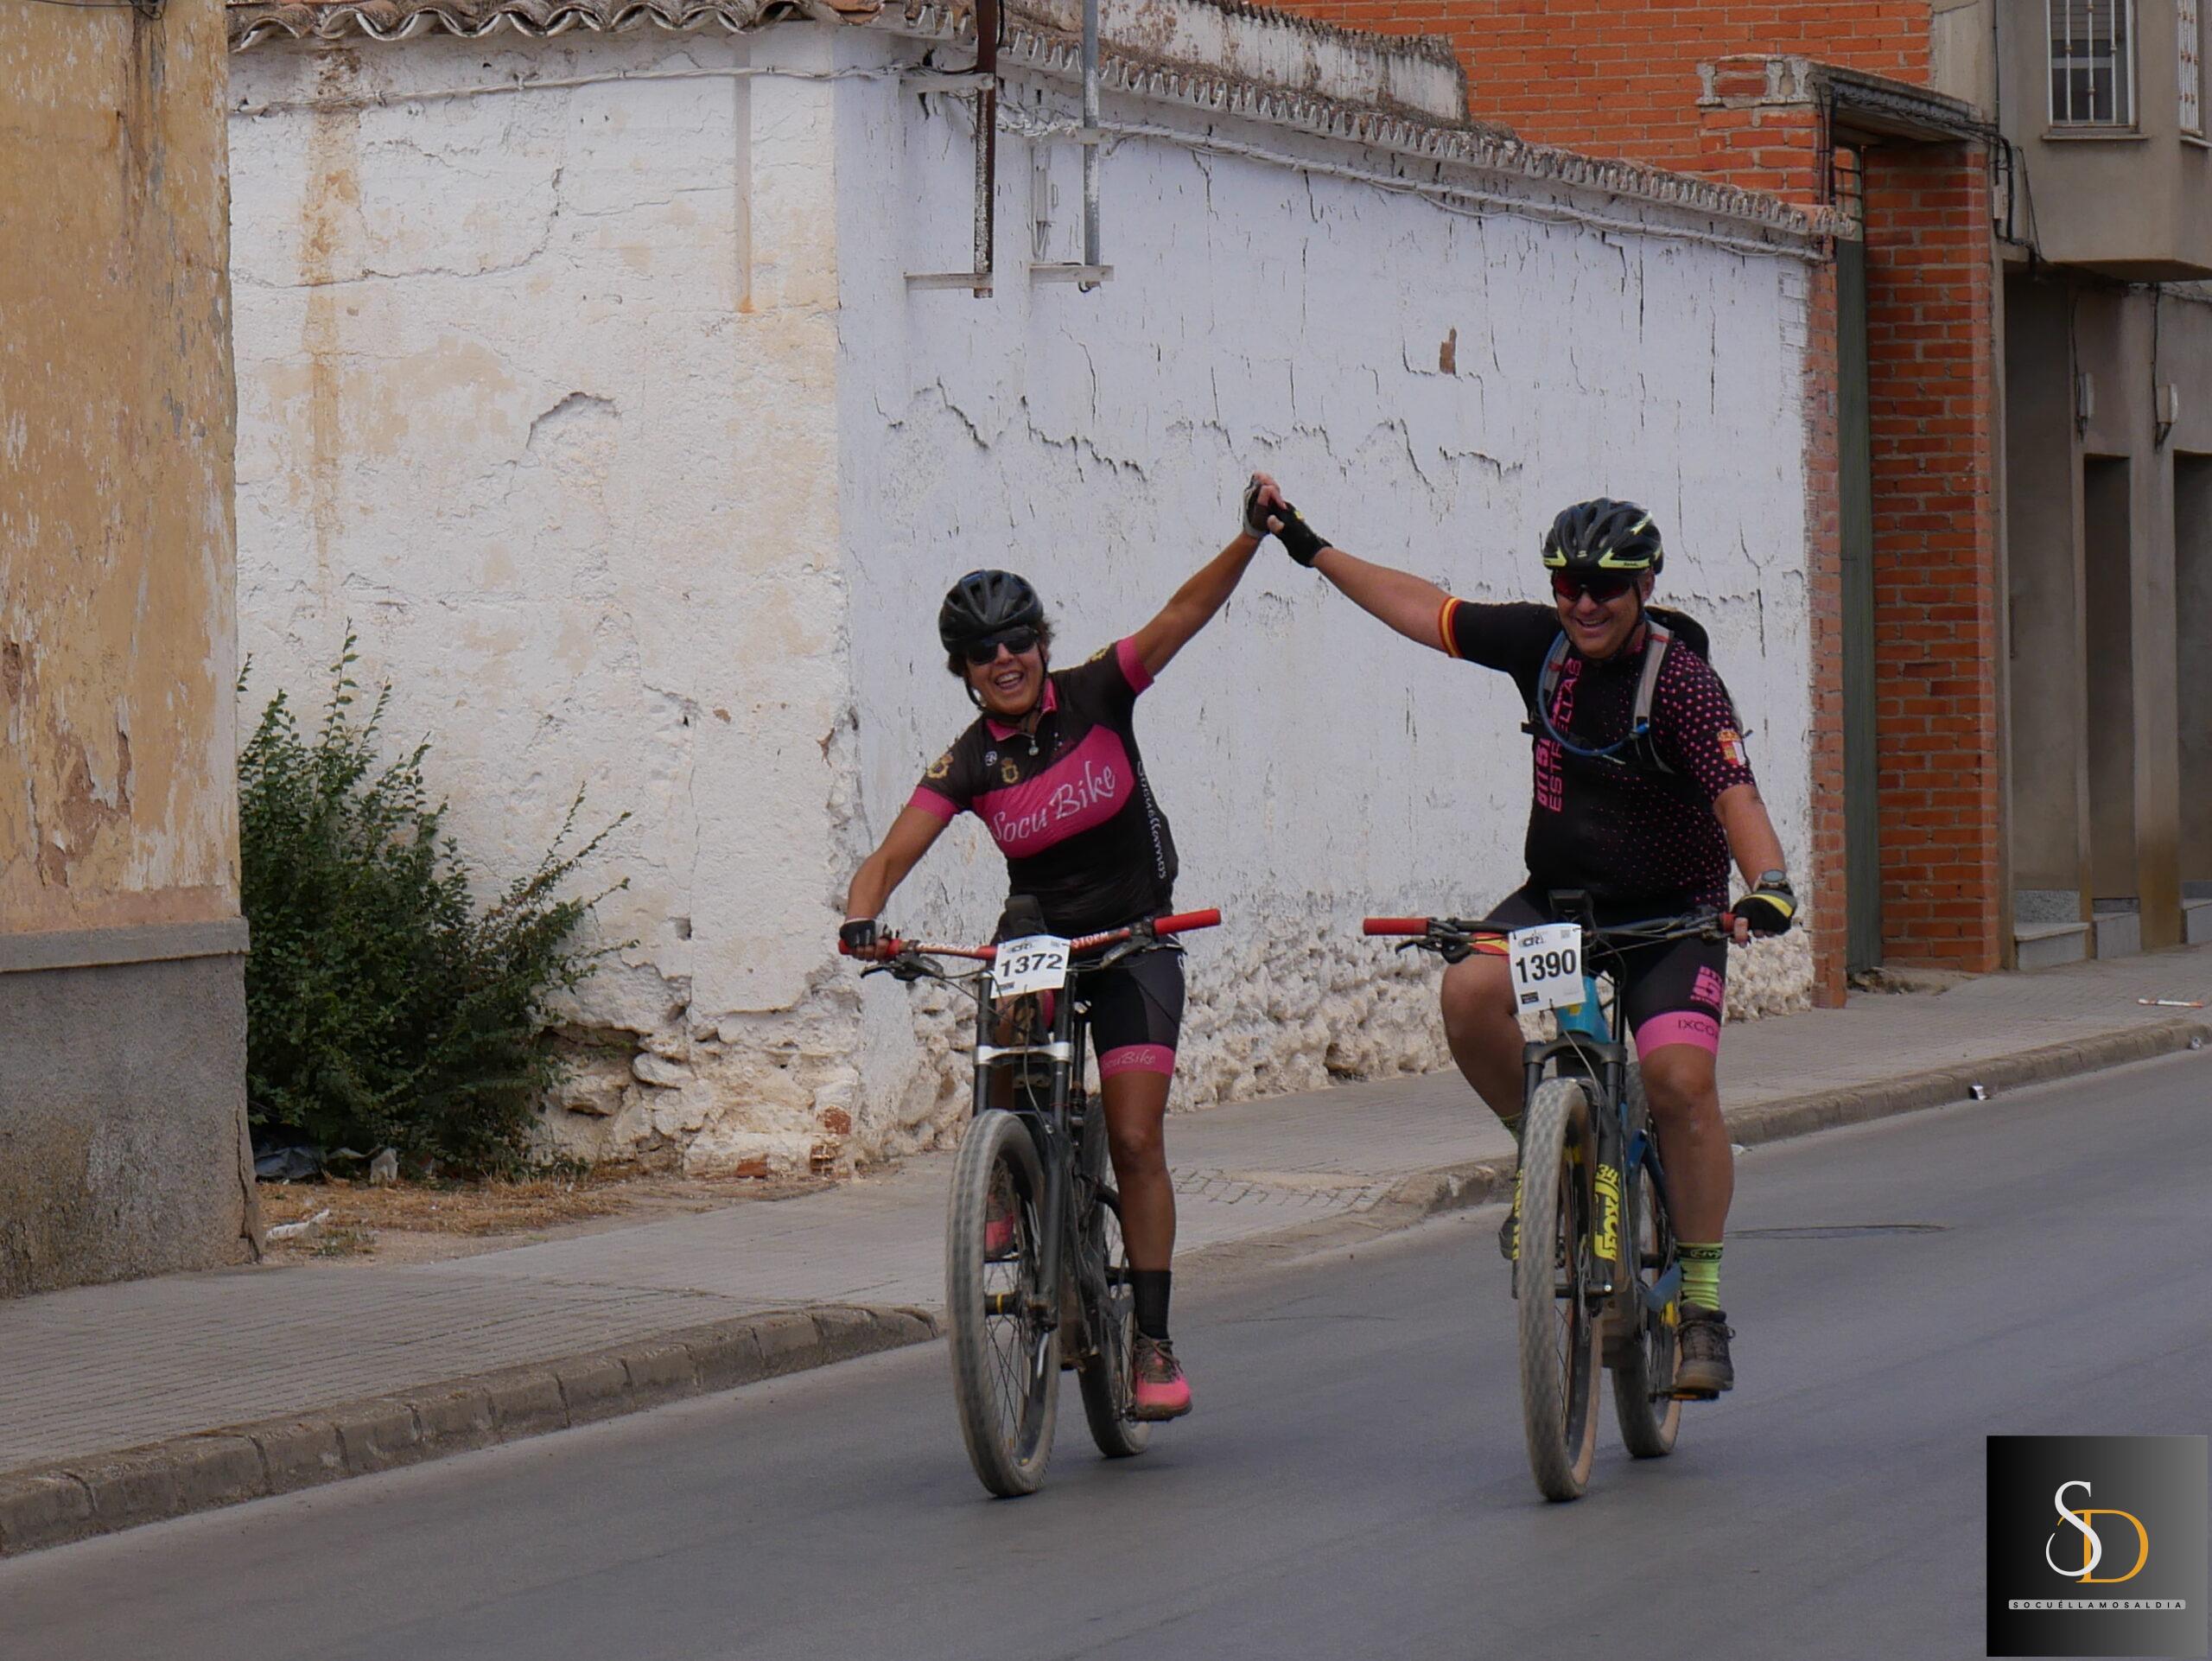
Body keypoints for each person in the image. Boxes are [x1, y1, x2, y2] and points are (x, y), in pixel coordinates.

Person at [1255, 482, 1796, 1397]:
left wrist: (1769, 888)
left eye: (1605, 586)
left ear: (1645, 585)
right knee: (1467, 992)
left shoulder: (1683, 683)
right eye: (1566, 583)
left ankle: (1700, 1303)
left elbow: (1735, 795)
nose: (1583, 602)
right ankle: (1538, 1157)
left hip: (1672, 914)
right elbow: (1422, 610)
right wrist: (1310, 547)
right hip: (1560, 902)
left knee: (1676, 1080)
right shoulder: (1541, 649)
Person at [840, 484, 1280, 1419]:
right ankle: (1003, 1176)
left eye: (1017, 640)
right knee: (1002, 1008)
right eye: (981, 651)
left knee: (1131, 1135)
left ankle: (1152, 1343)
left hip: (1134, 936)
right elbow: (888, 854)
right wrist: (861, 917)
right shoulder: (966, 758)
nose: (1003, 659)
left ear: (1041, 641)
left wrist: (1248, 536)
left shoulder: (1097, 692)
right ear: (962, 669)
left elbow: (1183, 616)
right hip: (1042, 935)